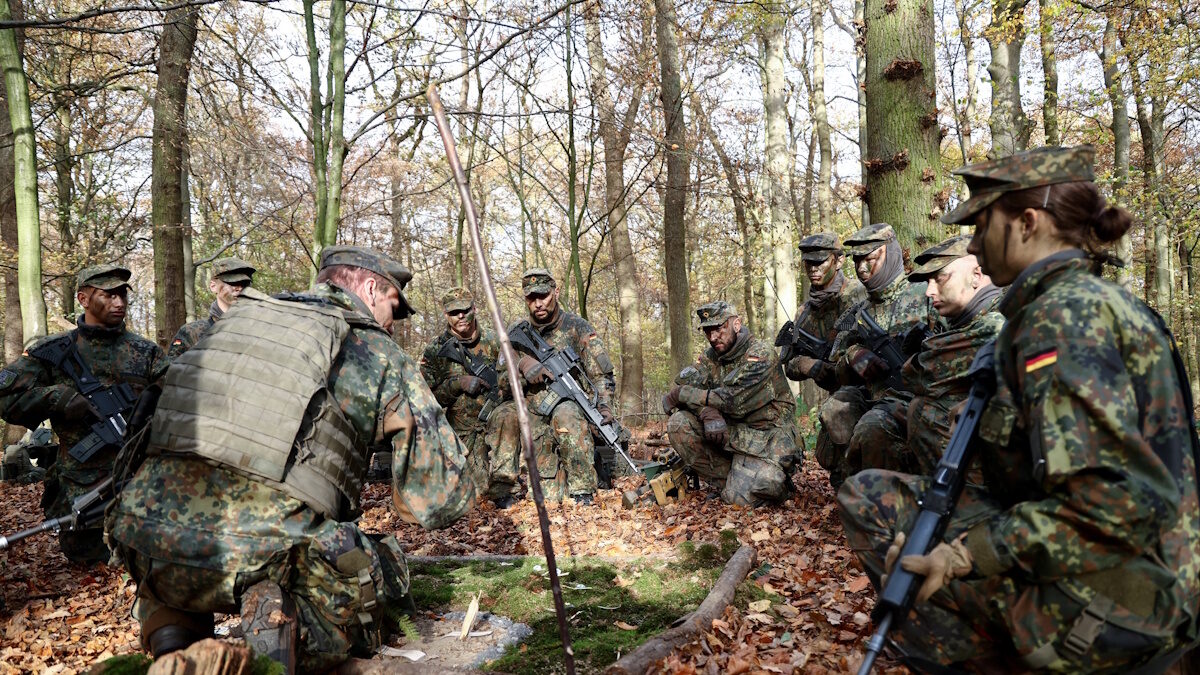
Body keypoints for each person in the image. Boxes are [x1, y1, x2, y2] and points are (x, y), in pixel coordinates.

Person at [839, 145, 1200, 672]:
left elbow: (1109, 507)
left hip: (1130, 604)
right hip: (1139, 576)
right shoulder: (1076, 306)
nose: (974, 244)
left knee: (874, 501)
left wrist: (963, 554)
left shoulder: (1063, 320)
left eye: (983, 225)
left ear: (1028, 223)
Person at [107, 246, 476, 672]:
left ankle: (173, 641)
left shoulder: (237, 323)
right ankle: (275, 627)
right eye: (394, 306)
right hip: (267, 552)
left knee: (180, 541)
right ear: (371, 288)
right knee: (372, 571)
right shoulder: (374, 348)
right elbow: (440, 497)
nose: (393, 322)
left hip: (146, 541)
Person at [0, 264, 167, 565]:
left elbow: (181, 401)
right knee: (90, 563)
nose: (119, 302)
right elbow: (6, 399)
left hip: (142, 486)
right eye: (109, 295)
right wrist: (56, 398)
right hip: (82, 493)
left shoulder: (146, 352)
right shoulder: (52, 351)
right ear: (83, 299)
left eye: (123, 295)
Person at [842, 235, 1003, 475]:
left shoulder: (996, 321)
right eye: (928, 281)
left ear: (976, 276)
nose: (929, 291)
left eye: (940, 279)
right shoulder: (965, 319)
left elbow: (920, 371)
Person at [816, 223, 939, 487]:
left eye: (869, 259)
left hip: (922, 400)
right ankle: (852, 481)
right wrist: (853, 355)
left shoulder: (927, 295)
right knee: (835, 409)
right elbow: (835, 365)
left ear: (890, 254)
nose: (861, 268)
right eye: (857, 261)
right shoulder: (858, 312)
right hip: (874, 397)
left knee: (874, 428)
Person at [489, 268, 617, 505]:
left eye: (544, 295)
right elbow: (502, 384)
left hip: (566, 406)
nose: (538, 303)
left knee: (568, 414)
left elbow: (601, 375)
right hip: (528, 408)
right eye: (531, 298)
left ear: (556, 292)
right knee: (503, 415)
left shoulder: (578, 328)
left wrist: (604, 407)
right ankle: (502, 490)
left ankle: (582, 492)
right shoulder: (516, 334)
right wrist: (522, 367)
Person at [663, 301, 798, 506]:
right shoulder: (710, 357)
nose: (713, 337)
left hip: (767, 439)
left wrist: (685, 395)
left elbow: (733, 400)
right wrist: (706, 411)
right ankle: (729, 482)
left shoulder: (760, 353)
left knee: (759, 489)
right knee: (678, 423)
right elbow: (682, 385)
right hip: (732, 433)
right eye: (707, 331)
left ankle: (767, 482)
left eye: (719, 329)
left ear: (736, 324)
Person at [419, 286, 513, 504]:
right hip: (462, 431)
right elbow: (424, 399)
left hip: (496, 421)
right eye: (454, 312)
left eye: (465, 310)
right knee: (475, 494)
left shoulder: (495, 341)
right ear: (446, 315)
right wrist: (457, 384)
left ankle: (504, 487)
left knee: (510, 417)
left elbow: (513, 381)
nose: (460, 316)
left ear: (474, 309)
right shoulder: (436, 350)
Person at [783, 231, 866, 389]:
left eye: (820, 262)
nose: (813, 269)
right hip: (841, 394)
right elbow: (788, 363)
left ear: (839, 261)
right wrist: (805, 364)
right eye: (808, 263)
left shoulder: (860, 294)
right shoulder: (804, 313)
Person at [168, 257, 256, 358]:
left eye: (244, 283)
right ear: (213, 286)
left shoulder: (259, 329)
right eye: (232, 283)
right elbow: (173, 367)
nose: (239, 288)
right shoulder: (192, 333)